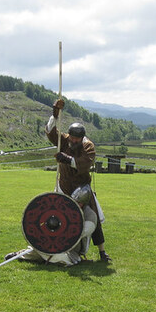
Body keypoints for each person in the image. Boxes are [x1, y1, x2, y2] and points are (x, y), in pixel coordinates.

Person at [46, 98, 111, 261]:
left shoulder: (88, 145)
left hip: (82, 189)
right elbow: (50, 130)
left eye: (76, 139)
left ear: (81, 138)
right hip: (64, 185)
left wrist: (66, 159)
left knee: (93, 216)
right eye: (71, 138)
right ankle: (54, 244)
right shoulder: (65, 140)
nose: (73, 141)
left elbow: (85, 162)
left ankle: (102, 252)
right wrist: (55, 113)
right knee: (56, 215)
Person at [5, 185, 98, 266]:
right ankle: (19, 255)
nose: (76, 204)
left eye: (79, 202)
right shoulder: (66, 206)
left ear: (84, 203)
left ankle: (48, 257)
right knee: (40, 250)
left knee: (61, 257)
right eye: (74, 201)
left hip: (71, 249)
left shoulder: (90, 215)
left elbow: (80, 232)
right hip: (53, 240)